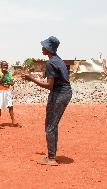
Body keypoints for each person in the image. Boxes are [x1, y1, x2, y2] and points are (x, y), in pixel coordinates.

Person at [22, 36, 72, 166]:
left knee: (50, 125)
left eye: (44, 46)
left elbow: (49, 85)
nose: (42, 48)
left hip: (59, 94)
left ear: (48, 48)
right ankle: (51, 154)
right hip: (64, 93)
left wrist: (31, 78)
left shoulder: (50, 63)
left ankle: (51, 158)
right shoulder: (58, 60)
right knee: (52, 125)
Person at [0, 61, 19, 127]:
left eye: (6, 65)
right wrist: (3, 76)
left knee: (10, 106)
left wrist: (11, 83)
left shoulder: (9, 73)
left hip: (7, 91)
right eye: (4, 65)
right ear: (1, 66)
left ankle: (13, 121)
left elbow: (11, 82)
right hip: (1, 91)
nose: (5, 67)